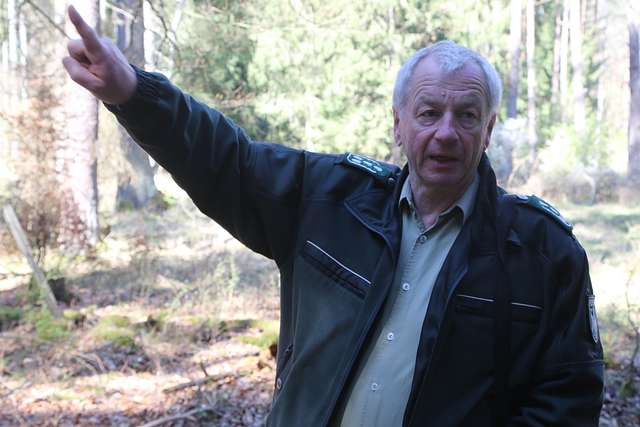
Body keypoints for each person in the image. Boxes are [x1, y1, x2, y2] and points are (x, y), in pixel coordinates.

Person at [63, 6, 604, 427]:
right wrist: (132, 93)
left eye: (467, 116)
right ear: (398, 122)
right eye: (428, 112)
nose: (446, 132)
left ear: (487, 132)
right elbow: (228, 161)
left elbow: (566, 399)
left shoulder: (542, 252)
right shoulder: (328, 200)